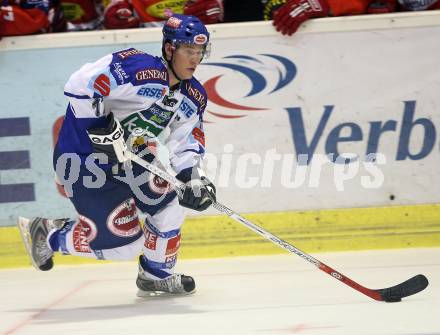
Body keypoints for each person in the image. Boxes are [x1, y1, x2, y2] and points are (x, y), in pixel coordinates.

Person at [17, 14, 216, 296]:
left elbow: (187, 142)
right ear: (170, 49)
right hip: (85, 161)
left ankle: (155, 274)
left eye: (199, 52)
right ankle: (49, 234)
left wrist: (194, 177)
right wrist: (100, 129)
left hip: (131, 159)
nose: (195, 60)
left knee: (172, 203)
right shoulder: (138, 68)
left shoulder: (193, 95)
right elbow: (79, 84)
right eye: (189, 51)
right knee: (124, 247)